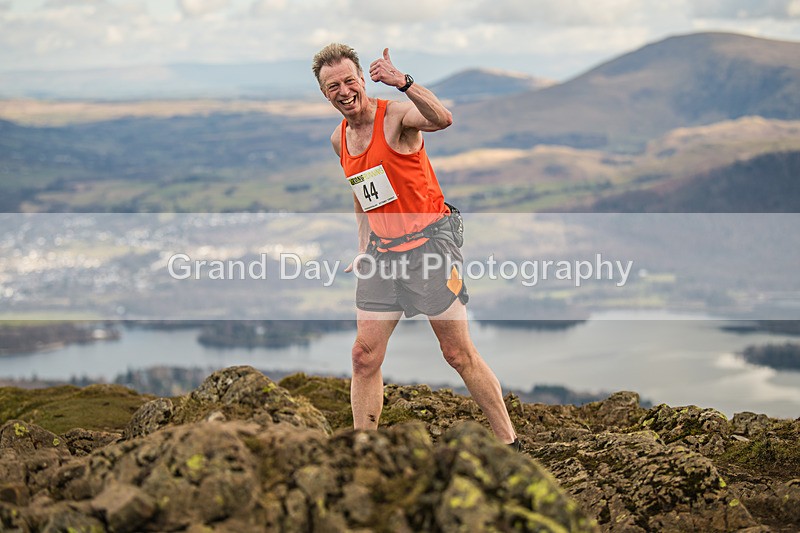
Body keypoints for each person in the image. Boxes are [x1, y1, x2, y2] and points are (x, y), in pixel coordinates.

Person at [312, 43, 519, 448]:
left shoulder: (395, 117)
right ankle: (364, 452)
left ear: (361, 81)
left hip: (430, 246)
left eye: (349, 80)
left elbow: (441, 118)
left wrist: (404, 82)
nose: (343, 91)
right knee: (363, 356)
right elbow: (361, 192)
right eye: (333, 86)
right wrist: (363, 245)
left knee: (457, 354)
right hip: (383, 256)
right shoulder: (339, 139)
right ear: (325, 94)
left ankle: (509, 443)